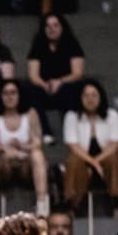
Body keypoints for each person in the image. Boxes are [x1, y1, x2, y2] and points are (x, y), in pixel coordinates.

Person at [0, 79, 48, 218]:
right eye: (5, 93)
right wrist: (6, 150)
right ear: (0, 96)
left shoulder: (30, 113)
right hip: (4, 164)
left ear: (19, 95)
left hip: (25, 164)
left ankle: (42, 202)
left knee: (37, 154)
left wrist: (22, 147)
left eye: (13, 93)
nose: (9, 97)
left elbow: (37, 141)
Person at [62, 78, 118, 219]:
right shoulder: (71, 116)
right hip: (82, 158)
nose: (90, 99)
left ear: (100, 97)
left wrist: (96, 162)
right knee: (74, 160)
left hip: (106, 160)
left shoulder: (112, 115)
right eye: (86, 95)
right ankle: (72, 205)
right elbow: (74, 146)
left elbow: (114, 145)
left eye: (94, 95)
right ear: (80, 98)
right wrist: (93, 163)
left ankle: (117, 202)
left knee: (113, 158)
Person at [26, 13, 85, 142]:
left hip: (65, 86)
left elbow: (77, 73)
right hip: (44, 88)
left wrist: (59, 81)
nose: (51, 29)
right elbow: (33, 75)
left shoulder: (72, 45)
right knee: (30, 89)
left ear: (62, 27)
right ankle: (46, 132)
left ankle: (70, 132)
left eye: (55, 25)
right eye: (47, 26)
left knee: (73, 88)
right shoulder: (38, 46)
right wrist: (44, 84)